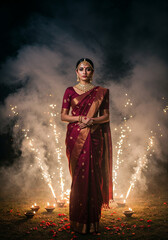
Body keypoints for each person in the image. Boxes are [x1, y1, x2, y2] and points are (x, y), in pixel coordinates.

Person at [61, 58, 113, 234]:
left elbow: (105, 117)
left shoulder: (102, 92)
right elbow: (63, 116)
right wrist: (79, 119)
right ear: (76, 72)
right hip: (75, 137)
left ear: (93, 72)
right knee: (78, 178)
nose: (85, 72)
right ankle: (78, 221)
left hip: (94, 136)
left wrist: (91, 121)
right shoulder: (69, 91)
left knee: (93, 175)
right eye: (81, 69)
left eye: (88, 69)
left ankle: (92, 221)